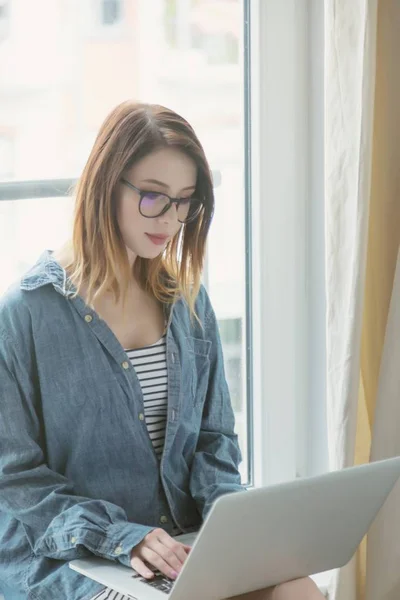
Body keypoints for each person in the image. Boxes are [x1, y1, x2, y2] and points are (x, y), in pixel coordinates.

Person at [0, 101, 324, 600]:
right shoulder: (23, 314)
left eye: (185, 201)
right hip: (76, 557)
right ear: (106, 184)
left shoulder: (188, 302)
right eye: (153, 198)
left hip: (182, 545)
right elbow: (16, 480)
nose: (171, 220)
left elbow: (214, 441)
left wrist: (236, 529)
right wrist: (123, 538)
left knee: (297, 589)